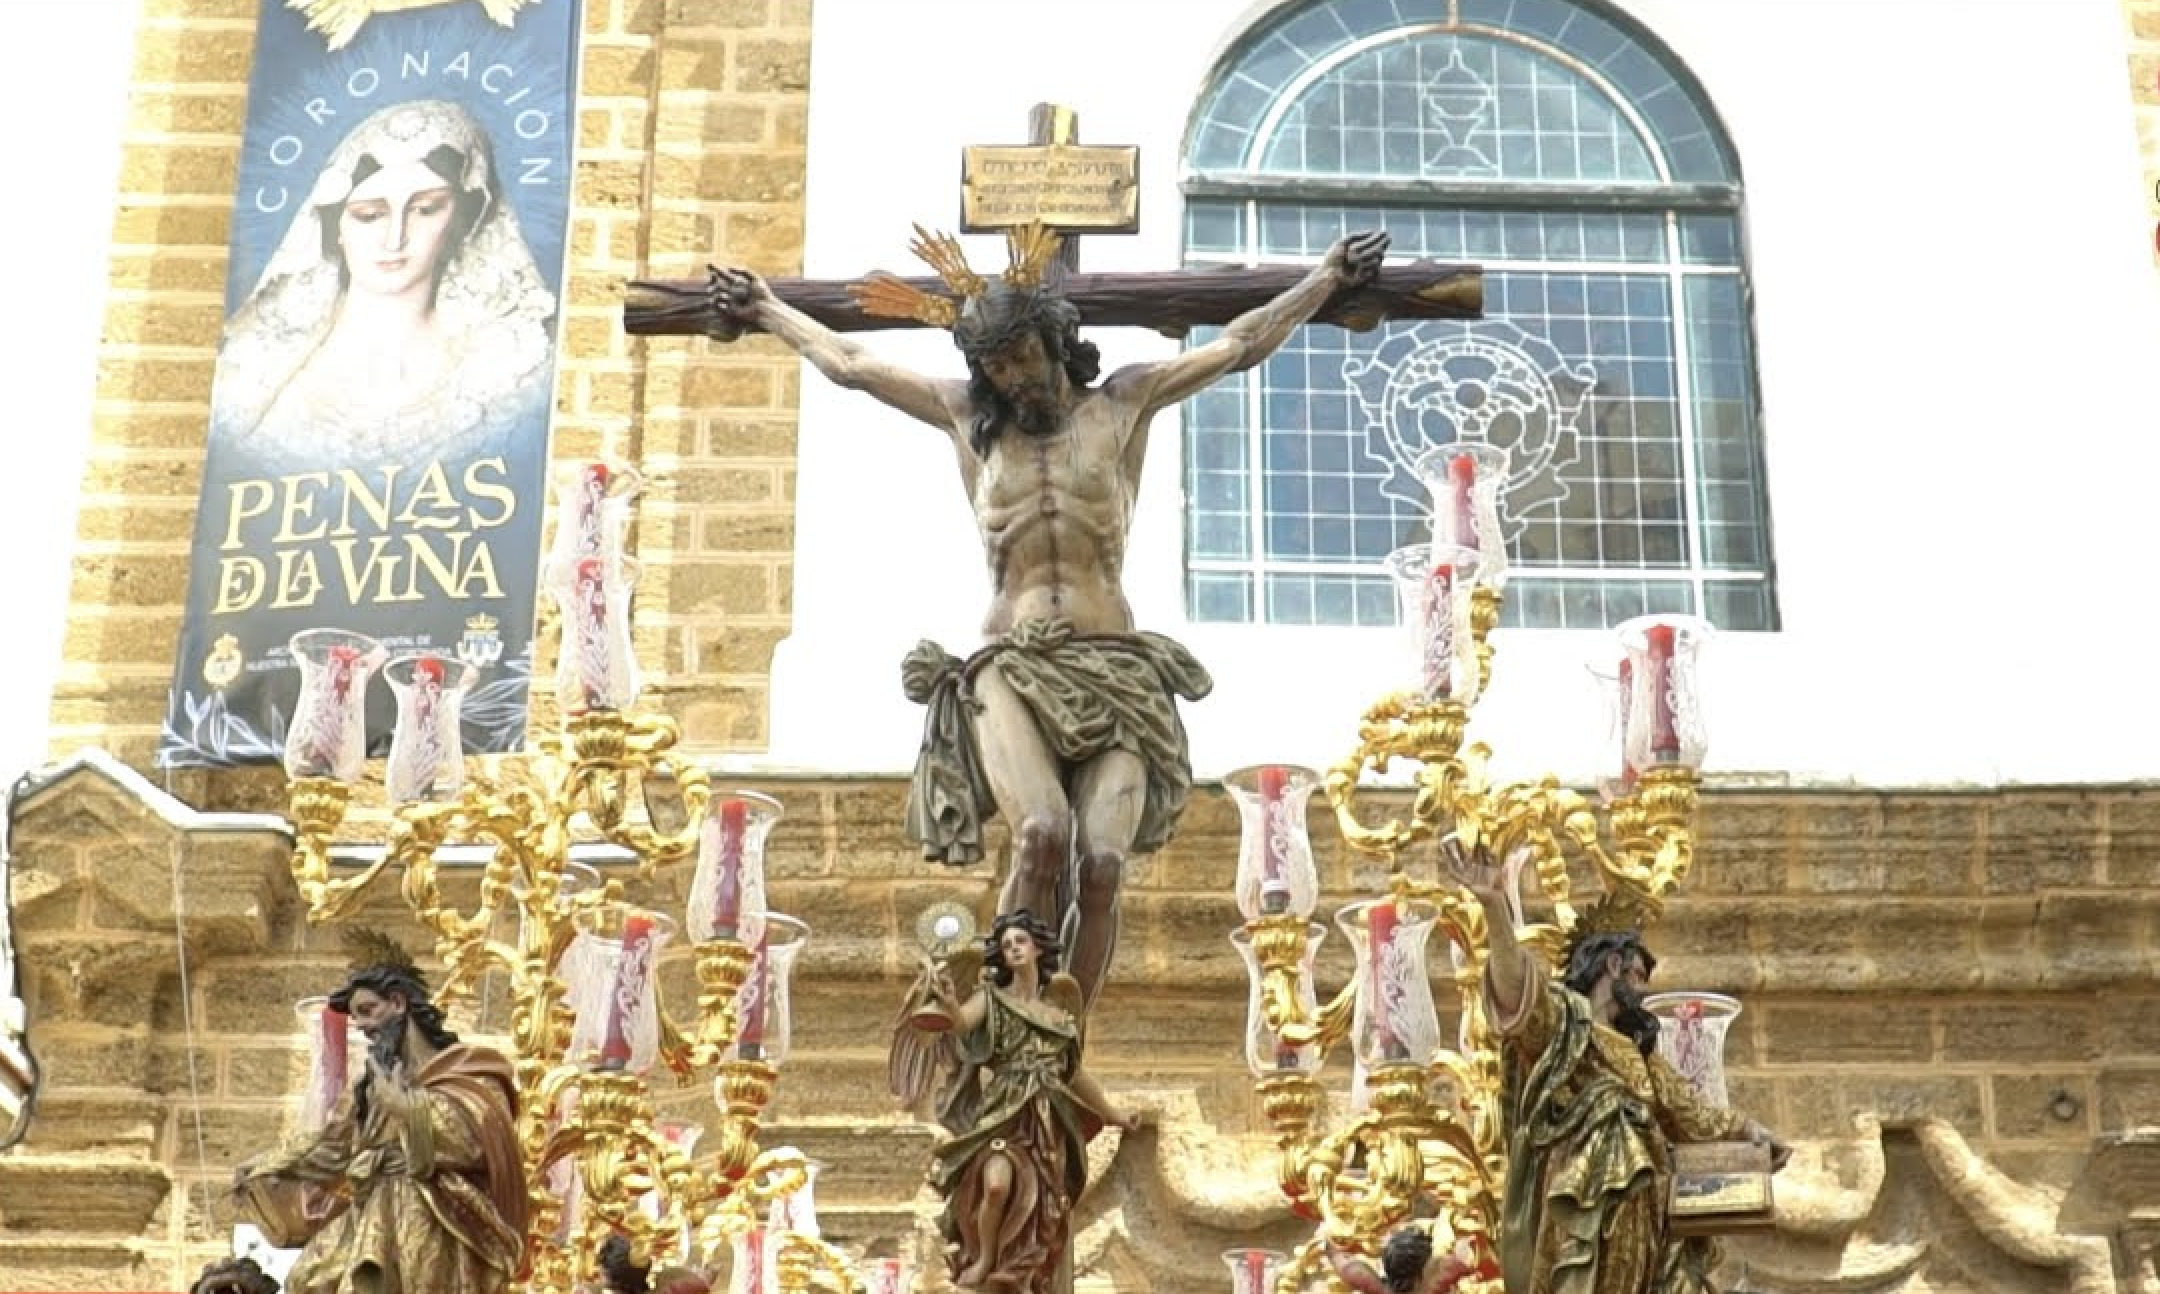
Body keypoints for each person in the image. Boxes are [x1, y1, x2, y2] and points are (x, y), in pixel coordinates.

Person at [710, 225, 1390, 1009]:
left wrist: (1324, 281)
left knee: (1101, 864)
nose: (1014, 381)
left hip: (1117, 668)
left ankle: (1062, 1041)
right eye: (996, 368)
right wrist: (766, 308)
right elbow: (852, 365)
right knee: (1040, 834)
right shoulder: (965, 415)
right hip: (1012, 666)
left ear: (1053, 340)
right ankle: (1005, 1022)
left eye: (1023, 359)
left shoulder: (1124, 403)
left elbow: (1238, 345)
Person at [1441, 841, 1790, 1294]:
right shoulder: (1566, 1019)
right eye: (1639, 976)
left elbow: (1694, 1114)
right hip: (1586, 1190)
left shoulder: (1641, 1054)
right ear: (1613, 964)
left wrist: (1750, 1132)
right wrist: (1493, 908)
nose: (1644, 993)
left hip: (1645, 1201)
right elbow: (1516, 995)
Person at [211, 98, 557, 472]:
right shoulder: (251, 380)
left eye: (425, 210)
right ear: (334, 224)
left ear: (462, 219)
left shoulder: (512, 369)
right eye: (369, 216)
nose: (395, 238)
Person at [233, 931, 527, 1294]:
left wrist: (407, 1108)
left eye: (368, 1012)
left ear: (399, 1003)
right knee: (308, 1279)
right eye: (358, 1019)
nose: (365, 1028)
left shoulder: (467, 1072)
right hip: (370, 1213)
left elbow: (479, 1141)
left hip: (435, 1216)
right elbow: (332, 1151)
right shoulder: (368, 1088)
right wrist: (272, 1164)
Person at [889, 910, 1141, 1294]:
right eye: (1006, 945)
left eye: (1020, 942)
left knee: (1044, 1206)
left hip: (1047, 1117)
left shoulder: (1059, 1017)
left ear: (1038, 948)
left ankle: (1024, 1269)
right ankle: (987, 1257)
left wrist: (1114, 1115)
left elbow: (1074, 1074)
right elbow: (958, 1025)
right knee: (995, 1187)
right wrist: (946, 998)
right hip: (1004, 1111)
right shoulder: (990, 999)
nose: (1013, 950)